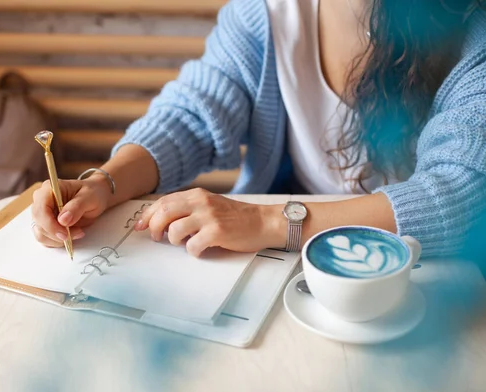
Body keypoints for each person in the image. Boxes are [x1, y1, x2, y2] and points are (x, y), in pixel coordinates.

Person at [31, 0, 486, 258]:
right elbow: (192, 115)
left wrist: (268, 220)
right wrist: (106, 182)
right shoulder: (270, 14)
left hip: (433, 275)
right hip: (288, 264)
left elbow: (461, 192)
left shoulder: (472, 28)